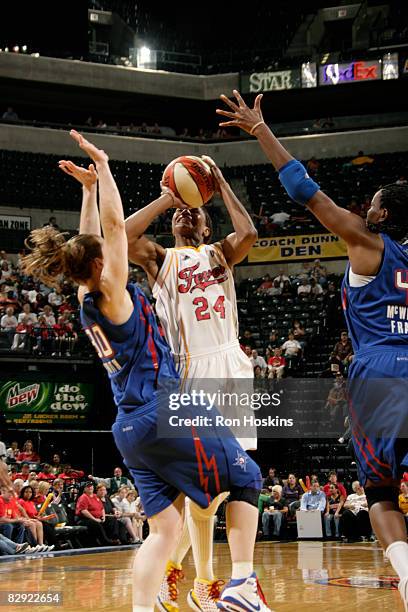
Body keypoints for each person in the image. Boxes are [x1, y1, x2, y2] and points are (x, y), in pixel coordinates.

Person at [21, 130, 269, 612]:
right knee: (246, 479)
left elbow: (96, 236)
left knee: (164, 528)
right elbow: (114, 231)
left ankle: (143, 607)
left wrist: (88, 192)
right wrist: (107, 169)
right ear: (101, 263)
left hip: (130, 421)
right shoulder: (117, 288)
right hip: (167, 401)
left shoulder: (84, 296)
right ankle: (239, 585)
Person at [216, 89, 408, 609]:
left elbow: (305, 190)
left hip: (380, 370)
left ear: (384, 213)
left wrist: (260, 131)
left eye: (371, 203)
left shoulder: (369, 242)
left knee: (382, 493)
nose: (363, 207)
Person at [125, 152, 260, 608]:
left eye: (194, 210)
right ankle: (199, 581)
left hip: (230, 368)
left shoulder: (219, 252)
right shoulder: (159, 259)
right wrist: (167, 199)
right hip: (186, 371)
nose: (187, 212)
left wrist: (219, 185)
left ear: (205, 225)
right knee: (196, 489)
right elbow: (122, 237)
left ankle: (182, 575)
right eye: (182, 211)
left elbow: (249, 234)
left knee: (220, 488)